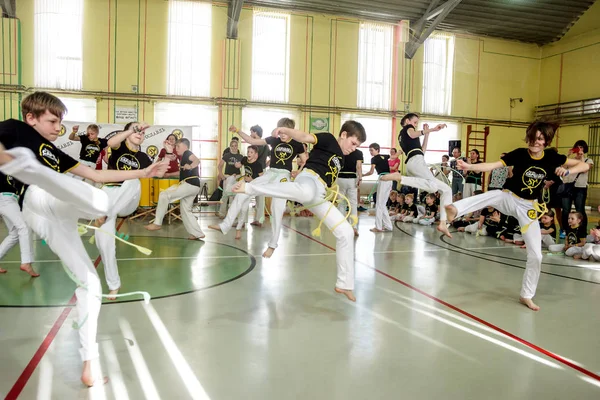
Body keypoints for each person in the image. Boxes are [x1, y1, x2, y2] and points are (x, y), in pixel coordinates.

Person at [0, 92, 168, 386]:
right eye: (52, 121)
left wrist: (144, 172)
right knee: (82, 195)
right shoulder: (15, 128)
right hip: (36, 202)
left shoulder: (54, 152)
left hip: (58, 210)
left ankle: (89, 363)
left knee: (90, 283)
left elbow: (94, 173)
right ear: (31, 117)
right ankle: (31, 170)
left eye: (60, 122)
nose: (57, 128)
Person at [444, 120, 590, 311]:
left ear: (546, 141)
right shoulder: (520, 153)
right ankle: (455, 209)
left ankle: (526, 295)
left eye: (539, 139)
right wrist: (469, 166)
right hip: (509, 198)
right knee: (492, 195)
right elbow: (493, 165)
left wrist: (568, 170)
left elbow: (584, 166)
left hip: (528, 208)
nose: (534, 142)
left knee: (536, 255)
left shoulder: (552, 157)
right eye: (532, 137)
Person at [232, 121, 367, 301]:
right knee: (306, 191)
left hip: (319, 193)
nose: (354, 148)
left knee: (346, 232)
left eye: (357, 146)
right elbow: (304, 137)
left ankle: (344, 284)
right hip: (309, 180)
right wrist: (284, 130)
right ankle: (249, 188)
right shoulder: (328, 139)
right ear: (343, 134)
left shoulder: (341, 158)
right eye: (353, 143)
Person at [224, 118, 307, 257]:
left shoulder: (297, 144)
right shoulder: (274, 140)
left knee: (277, 208)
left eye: (285, 132)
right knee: (248, 188)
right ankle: (226, 224)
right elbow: (253, 141)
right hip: (271, 173)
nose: (282, 134)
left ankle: (273, 245)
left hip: (284, 176)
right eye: (279, 131)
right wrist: (238, 131)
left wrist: (298, 171)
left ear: (291, 131)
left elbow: (304, 160)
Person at [94, 121, 156, 300]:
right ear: (127, 132)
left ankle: (105, 214)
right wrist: (130, 130)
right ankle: (114, 285)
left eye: (142, 132)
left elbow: (156, 172)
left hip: (129, 198)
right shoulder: (118, 146)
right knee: (104, 244)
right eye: (136, 130)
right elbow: (110, 143)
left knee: (133, 179)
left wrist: (167, 154)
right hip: (108, 196)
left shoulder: (144, 158)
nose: (140, 133)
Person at [380, 113, 452, 237]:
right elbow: (414, 134)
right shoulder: (407, 130)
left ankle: (443, 222)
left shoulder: (407, 136)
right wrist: (433, 129)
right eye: (414, 122)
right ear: (407, 121)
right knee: (433, 187)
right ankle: (400, 177)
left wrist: (427, 134)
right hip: (416, 162)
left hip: (415, 162)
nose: (415, 125)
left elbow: (422, 150)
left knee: (446, 189)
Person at [145, 138, 205, 240]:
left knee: (164, 194)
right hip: (194, 186)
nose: (176, 148)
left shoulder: (187, 153)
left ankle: (157, 223)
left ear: (185, 146)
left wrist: (190, 166)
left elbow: (197, 160)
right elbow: (179, 172)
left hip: (189, 184)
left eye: (178, 146)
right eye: (175, 146)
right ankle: (197, 233)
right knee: (185, 210)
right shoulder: (183, 158)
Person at [209, 145, 264, 239]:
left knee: (237, 202)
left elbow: (262, 178)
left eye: (251, 152)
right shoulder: (245, 159)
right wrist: (237, 165)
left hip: (251, 187)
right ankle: (238, 230)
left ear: (256, 155)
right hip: (244, 183)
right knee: (243, 208)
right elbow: (239, 164)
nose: (249, 154)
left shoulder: (258, 165)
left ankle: (224, 226)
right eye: (248, 151)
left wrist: (252, 179)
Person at [0, 172, 37, 276]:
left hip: (10, 199)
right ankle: (26, 262)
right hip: (5, 198)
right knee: (24, 227)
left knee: (14, 234)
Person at [560, 140, 594, 233]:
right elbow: (562, 167)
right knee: (566, 210)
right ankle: (565, 229)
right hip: (567, 186)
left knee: (580, 209)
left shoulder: (588, 160)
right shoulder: (571, 160)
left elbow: (584, 169)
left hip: (580, 187)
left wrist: (582, 156)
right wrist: (568, 155)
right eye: (578, 147)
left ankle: (582, 230)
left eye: (581, 147)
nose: (579, 149)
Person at [363, 143, 392, 232]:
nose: (370, 152)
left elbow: (371, 172)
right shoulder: (385, 156)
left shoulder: (374, 159)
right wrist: (399, 152)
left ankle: (378, 227)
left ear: (377, 150)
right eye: (369, 150)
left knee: (379, 204)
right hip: (390, 179)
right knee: (382, 205)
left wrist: (363, 175)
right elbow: (393, 156)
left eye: (372, 150)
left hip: (383, 179)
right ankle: (388, 226)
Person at [338, 148, 363, 236]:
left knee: (341, 203)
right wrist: (360, 177)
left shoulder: (341, 150)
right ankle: (354, 227)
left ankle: (341, 226)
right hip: (352, 178)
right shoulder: (358, 152)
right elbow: (358, 166)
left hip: (340, 177)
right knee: (353, 204)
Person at [217, 139, 244, 218]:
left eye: (235, 146)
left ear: (237, 146)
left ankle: (232, 214)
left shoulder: (240, 156)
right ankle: (222, 213)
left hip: (237, 177)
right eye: (232, 146)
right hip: (228, 177)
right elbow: (219, 166)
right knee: (225, 195)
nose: (234, 147)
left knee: (234, 196)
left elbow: (243, 166)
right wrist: (221, 175)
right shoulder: (227, 155)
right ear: (230, 147)